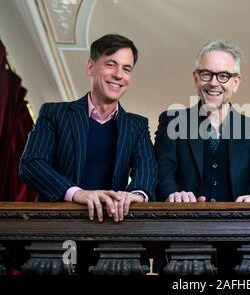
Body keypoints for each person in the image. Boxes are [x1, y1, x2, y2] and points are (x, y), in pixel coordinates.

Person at [20, 34, 157, 221]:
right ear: (91, 67)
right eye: (111, 64)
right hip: (55, 225)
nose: (119, 74)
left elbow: (147, 166)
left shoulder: (137, 125)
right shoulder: (54, 113)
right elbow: (31, 163)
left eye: (126, 69)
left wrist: (137, 194)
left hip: (112, 227)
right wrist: (77, 193)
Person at [155, 40, 250, 202]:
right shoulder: (172, 122)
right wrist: (172, 195)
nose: (213, 83)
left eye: (223, 76)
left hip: (239, 225)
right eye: (206, 74)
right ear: (195, 78)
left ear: (236, 82)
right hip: (183, 223)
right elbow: (162, 171)